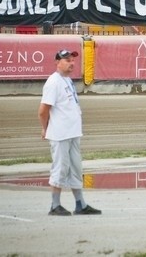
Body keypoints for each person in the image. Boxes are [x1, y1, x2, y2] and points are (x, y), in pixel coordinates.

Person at [38, 49, 101, 216]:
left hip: (73, 133)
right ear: (57, 62)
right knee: (60, 168)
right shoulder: (53, 82)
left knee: (76, 168)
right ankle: (54, 205)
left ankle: (80, 204)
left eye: (72, 60)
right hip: (60, 134)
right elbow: (43, 110)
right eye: (67, 60)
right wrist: (45, 128)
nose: (71, 63)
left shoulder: (67, 80)